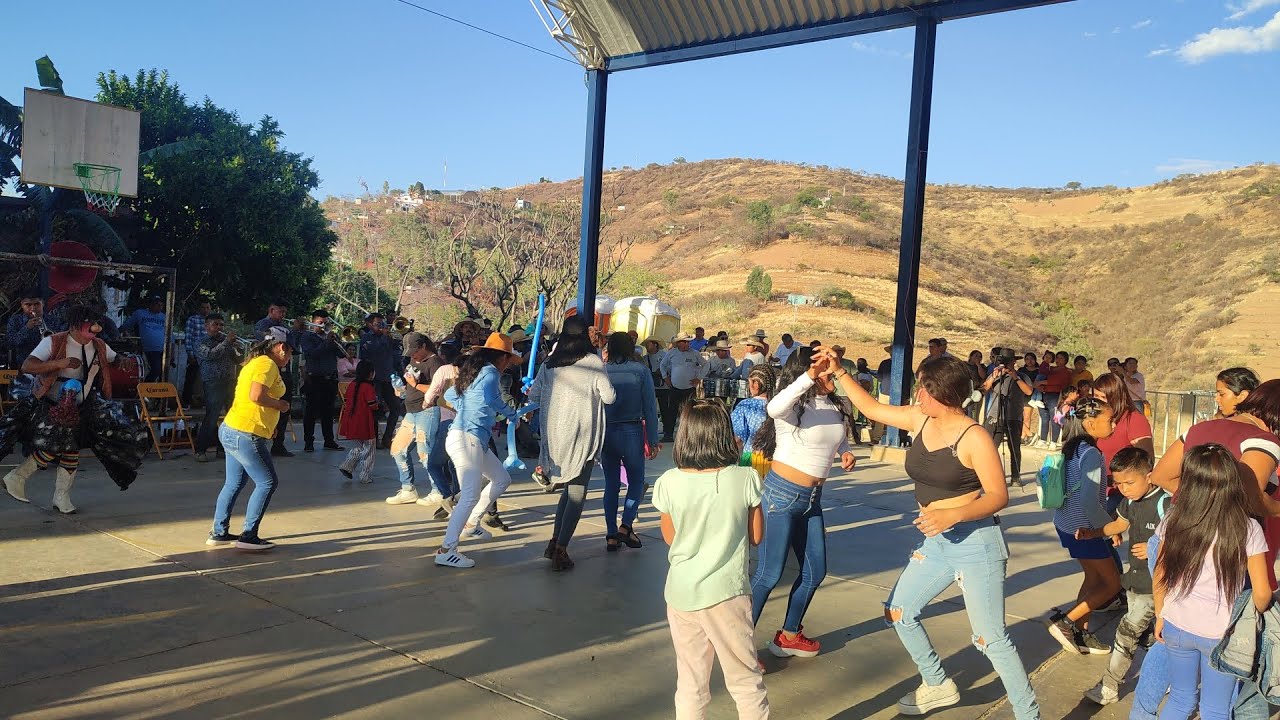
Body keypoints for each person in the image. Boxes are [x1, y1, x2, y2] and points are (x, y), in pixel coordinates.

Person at [827, 352, 1039, 719]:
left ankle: (1028, 714)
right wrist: (839, 373)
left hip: (977, 545)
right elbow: (873, 408)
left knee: (990, 639)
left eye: (923, 388)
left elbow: (997, 495)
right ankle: (938, 684)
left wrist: (952, 514)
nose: (917, 395)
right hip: (938, 542)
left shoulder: (975, 437)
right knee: (899, 610)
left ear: (941, 392)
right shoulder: (919, 418)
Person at [1133, 380, 1280, 720]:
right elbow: (1253, 497)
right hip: (1221, 622)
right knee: (1216, 706)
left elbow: (1159, 475)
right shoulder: (1263, 446)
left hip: (1177, 607)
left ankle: (1141, 714)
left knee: (1180, 697)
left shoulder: (1203, 428)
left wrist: (1194, 506)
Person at [652, 400, 769, 720]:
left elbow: (669, 537)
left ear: (684, 436)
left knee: (690, 681)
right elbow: (756, 536)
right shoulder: (745, 479)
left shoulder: (668, 482)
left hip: (682, 594)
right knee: (745, 680)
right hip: (727, 594)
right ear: (724, 435)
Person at [749, 347, 857, 659]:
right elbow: (773, 408)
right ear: (808, 373)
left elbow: (835, 431)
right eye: (825, 369)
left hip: (812, 500)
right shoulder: (790, 405)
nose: (832, 372)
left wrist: (844, 451)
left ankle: (789, 635)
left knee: (815, 571)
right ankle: (740, 648)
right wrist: (810, 376)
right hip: (781, 496)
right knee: (769, 575)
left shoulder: (833, 404)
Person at [1152, 444, 1272, 720]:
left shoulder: (1174, 519)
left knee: (1181, 699)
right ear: (1233, 483)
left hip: (1176, 624)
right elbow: (1262, 593)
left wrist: (1160, 613)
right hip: (1222, 634)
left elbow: (1160, 572)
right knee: (1215, 709)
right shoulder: (1247, 528)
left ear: (1189, 482)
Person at [2, 305, 147, 514]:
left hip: (82, 406)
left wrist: (122, 362)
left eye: (98, 324)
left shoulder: (99, 345)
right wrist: (59, 363)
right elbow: (28, 366)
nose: (96, 328)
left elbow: (115, 359)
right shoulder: (53, 341)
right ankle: (18, 476)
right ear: (75, 325)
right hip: (52, 405)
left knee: (71, 448)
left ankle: (60, 496)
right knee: (56, 446)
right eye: (91, 324)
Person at [528, 318, 616, 570]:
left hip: (554, 437)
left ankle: (555, 540)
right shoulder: (593, 363)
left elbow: (534, 394)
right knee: (577, 493)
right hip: (582, 435)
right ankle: (561, 549)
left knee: (568, 491)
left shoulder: (549, 364)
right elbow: (609, 398)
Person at [1077, 447, 1163, 706]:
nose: (1124, 489)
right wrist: (1094, 533)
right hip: (1134, 583)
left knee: (1126, 633)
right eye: (1118, 483)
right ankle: (1164, 676)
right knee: (1149, 636)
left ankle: (1109, 686)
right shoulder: (1129, 502)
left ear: (1149, 475)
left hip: (1155, 586)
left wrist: (1154, 548)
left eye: (1130, 482)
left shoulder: (1165, 502)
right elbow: (1120, 525)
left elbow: (1182, 538)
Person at [435, 332, 522, 569]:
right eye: (508, 359)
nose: (508, 364)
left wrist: (468, 407)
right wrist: (513, 413)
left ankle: (471, 524)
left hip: (470, 439)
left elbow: (451, 395)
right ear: (502, 357)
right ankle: (446, 549)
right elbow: (491, 399)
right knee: (471, 494)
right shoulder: (490, 373)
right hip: (468, 439)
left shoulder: (474, 371)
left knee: (501, 479)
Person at [1045, 397, 1121, 656]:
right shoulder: (1091, 454)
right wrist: (1111, 528)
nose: (1113, 423)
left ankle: (1080, 631)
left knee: (1093, 577)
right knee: (1111, 585)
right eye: (1109, 419)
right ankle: (1065, 623)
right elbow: (1090, 501)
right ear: (1090, 423)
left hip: (1066, 524)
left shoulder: (1073, 447)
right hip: (1085, 529)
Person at [207, 327, 293, 551]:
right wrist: (281, 406)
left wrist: (270, 426)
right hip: (246, 433)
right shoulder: (267, 364)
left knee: (234, 483)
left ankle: (218, 531)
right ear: (281, 348)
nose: (290, 358)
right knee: (267, 482)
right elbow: (256, 396)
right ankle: (248, 535)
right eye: (291, 352)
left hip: (232, 428)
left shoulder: (255, 362)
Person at [600, 331, 660, 553]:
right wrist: (653, 439)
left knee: (611, 485)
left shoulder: (602, 371)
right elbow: (650, 408)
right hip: (632, 430)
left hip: (607, 431)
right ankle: (626, 525)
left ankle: (610, 534)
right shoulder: (641, 371)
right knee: (636, 481)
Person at [387, 333, 442, 505]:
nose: (412, 355)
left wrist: (415, 385)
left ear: (424, 347)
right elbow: (410, 383)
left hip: (428, 410)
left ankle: (438, 489)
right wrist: (401, 389)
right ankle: (407, 489)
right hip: (411, 410)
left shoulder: (435, 362)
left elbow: (438, 389)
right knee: (398, 448)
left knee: (425, 452)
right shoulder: (413, 361)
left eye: (415, 351)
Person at [418, 340, 461, 517]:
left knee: (434, 463)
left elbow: (433, 391)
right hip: (465, 424)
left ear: (443, 356)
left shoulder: (444, 370)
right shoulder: (470, 371)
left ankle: (447, 496)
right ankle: (459, 497)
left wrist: (425, 404)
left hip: (448, 421)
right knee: (455, 463)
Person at [193, 314, 244, 463]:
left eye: (221, 325)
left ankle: (223, 449)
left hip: (230, 381)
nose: (219, 328)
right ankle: (200, 450)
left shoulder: (225, 342)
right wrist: (227, 342)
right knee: (212, 417)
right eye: (216, 324)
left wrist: (239, 349)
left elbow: (238, 360)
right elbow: (210, 355)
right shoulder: (201, 341)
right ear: (206, 326)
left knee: (231, 418)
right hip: (213, 382)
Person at [255, 301, 302, 458]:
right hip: (269, 371)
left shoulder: (286, 328)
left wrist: (295, 331)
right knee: (264, 408)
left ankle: (278, 444)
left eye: (284, 312)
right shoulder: (262, 325)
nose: (283, 315)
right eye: (280, 311)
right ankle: (259, 444)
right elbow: (263, 342)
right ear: (271, 310)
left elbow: (293, 348)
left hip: (284, 372)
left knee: (284, 408)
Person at [981, 350, 1033, 486]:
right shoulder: (996, 374)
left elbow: (1028, 391)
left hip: (1014, 417)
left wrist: (1015, 377)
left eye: (1008, 362)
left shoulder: (1022, 376)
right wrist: (993, 377)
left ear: (1013, 362)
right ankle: (989, 477)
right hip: (994, 415)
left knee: (1014, 448)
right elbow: (984, 389)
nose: (1005, 365)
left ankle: (1016, 477)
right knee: (990, 448)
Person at [298, 309, 347, 453]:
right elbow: (312, 354)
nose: (323, 326)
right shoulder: (307, 336)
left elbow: (342, 354)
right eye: (320, 323)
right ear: (313, 322)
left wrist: (337, 341)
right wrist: (326, 342)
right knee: (311, 412)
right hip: (314, 378)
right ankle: (309, 442)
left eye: (326, 323)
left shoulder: (330, 337)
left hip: (330, 378)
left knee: (328, 411)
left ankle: (329, 440)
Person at [358, 312, 401, 449]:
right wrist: (385, 337)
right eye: (378, 324)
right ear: (369, 325)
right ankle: (374, 439)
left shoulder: (388, 338)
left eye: (382, 324)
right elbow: (372, 352)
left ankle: (387, 438)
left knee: (396, 408)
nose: (382, 326)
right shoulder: (366, 338)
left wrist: (393, 338)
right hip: (374, 379)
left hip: (387, 378)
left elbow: (397, 351)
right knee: (374, 410)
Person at [659, 333, 706, 443]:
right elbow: (662, 365)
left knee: (690, 412)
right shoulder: (672, 353)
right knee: (672, 411)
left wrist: (699, 378)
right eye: (683, 342)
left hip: (689, 388)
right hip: (675, 387)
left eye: (687, 342)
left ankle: (690, 435)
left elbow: (706, 364)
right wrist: (665, 378)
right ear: (678, 343)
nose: (686, 344)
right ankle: (668, 435)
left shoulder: (695, 353)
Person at [338, 360, 379, 484]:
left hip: (351, 420)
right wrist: (379, 405)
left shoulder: (352, 385)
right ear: (370, 373)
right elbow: (372, 405)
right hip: (365, 421)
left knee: (360, 446)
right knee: (370, 449)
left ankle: (347, 465)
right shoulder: (368, 387)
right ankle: (365, 475)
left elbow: (345, 400)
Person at [1033, 351, 1073, 449]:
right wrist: (1040, 386)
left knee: (1054, 418)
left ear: (1066, 360)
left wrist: (1041, 382)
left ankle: (1053, 441)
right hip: (1044, 394)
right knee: (1044, 417)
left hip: (1056, 395)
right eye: (1057, 358)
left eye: (1061, 358)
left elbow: (1057, 381)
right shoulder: (1050, 369)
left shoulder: (1066, 371)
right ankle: (1043, 439)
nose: (1058, 360)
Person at [123, 295, 168, 383]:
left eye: (161, 305)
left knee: (163, 373)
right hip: (150, 347)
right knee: (156, 369)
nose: (160, 307)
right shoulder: (140, 314)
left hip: (164, 347)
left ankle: (159, 395)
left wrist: (172, 350)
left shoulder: (164, 317)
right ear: (151, 305)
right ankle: (146, 390)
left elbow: (170, 333)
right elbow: (127, 326)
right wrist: (130, 340)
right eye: (157, 304)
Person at [5, 291, 56, 365]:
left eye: (37, 304)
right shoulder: (15, 320)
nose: (33, 308)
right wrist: (27, 328)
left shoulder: (53, 319)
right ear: (22, 305)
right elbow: (10, 343)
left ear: (43, 304)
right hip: (25, 364)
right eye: (28, 305)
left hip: (49, 363)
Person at [182, 299, 212, 407]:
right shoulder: (192, 320)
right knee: (191, 378)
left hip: (208, 354)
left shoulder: (212, 322)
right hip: (195, 353)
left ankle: (205, 401)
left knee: (208, 379)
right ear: (199, 309)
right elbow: (188, 337)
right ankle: (186, 402)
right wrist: (190, 353)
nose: (205, 310)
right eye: (203, 307)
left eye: (207, 307)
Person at [965, 350, 988, 421]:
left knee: (974, 413)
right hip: (966, 392)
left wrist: (978, 365)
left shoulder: (982, 367)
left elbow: (983, 376)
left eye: (980, 357)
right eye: (976, 356)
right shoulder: (964, 365)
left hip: (977, 393)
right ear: (971, 356)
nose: (978, 358)